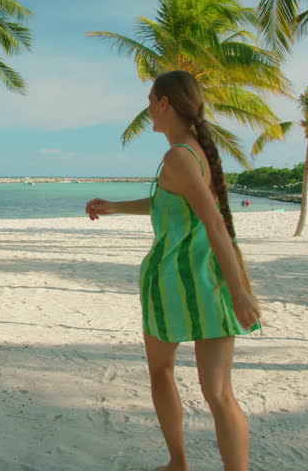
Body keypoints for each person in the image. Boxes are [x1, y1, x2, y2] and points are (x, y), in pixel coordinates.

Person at [85, 70, 261, 471]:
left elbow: (214, 223)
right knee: (219, 394)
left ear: (165, 102)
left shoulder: (178, 155)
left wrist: (241, 292)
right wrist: (113, 206)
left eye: (151, 101)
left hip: (172, 282)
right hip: (209, 279)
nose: (148, 110)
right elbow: (171, 203)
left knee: (162, 371)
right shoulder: (195, 151)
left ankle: (178, 462)